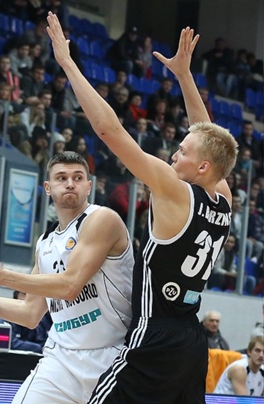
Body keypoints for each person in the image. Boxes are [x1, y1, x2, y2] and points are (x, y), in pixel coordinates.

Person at [46, 13, 238, 403]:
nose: (174, 154)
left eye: (181, 151)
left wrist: (68, 64)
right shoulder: (224, 197)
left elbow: (109, 130)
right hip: (191, 340)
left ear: (202, 167)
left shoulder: (174, 191)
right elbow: (209, 140)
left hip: (154, 336)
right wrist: (184, 76)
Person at [0, 151, 134, 403]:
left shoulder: (103, 219)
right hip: (60, 362)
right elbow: (29, 314)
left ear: (88, 186)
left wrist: (2, 277)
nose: (70, 183)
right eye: (61, 178)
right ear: (48, 188)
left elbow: (70, 285)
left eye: (77, 177)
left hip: (112, 357)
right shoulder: (44, 243)